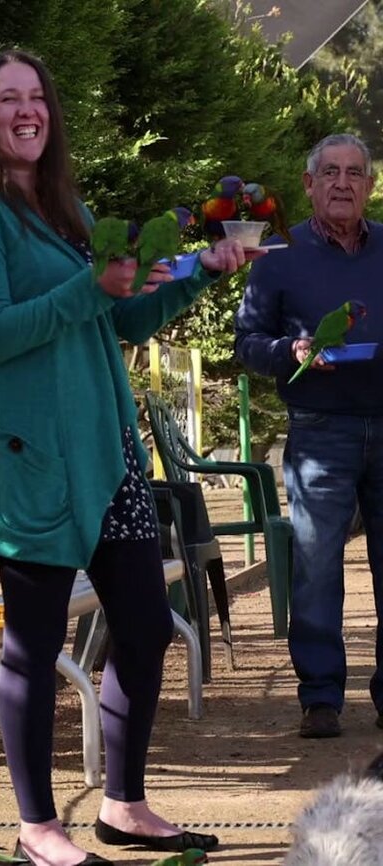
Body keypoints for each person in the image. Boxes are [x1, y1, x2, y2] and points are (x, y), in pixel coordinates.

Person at [0, 50, 266, 866]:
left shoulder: (66, 204)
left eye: (38, 96)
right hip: (33, 464)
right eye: (9, 98)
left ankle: (123, 805)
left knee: (144, 630)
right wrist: (86, 290)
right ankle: (38, 828)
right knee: (33, 648)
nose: (27, 110)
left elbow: (124, 323)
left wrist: (199, 276)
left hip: (111, 460)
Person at [234, 132, 383, 740]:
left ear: (369, 185)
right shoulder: (279, 254)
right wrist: (288, 350)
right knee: (318, 565)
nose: (343, 183)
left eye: (355, 173)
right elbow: (246, 344)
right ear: (309, 184)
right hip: (320, 430)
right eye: (331, 173)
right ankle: (320, 697)